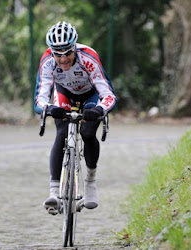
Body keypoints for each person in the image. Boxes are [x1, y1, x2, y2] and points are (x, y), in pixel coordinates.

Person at [34, 21, 117, 212]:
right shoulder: (47, 61)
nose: (62, 59)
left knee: (88, 133)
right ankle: (54, 192)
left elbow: (108, 94)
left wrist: (99, 110)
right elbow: (40, 97)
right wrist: (49, 109)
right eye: (57, 53)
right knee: (62, 132)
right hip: (64, 93)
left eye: (67, 53)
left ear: (75, 48)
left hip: (90, 95)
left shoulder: (88, 57)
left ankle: (90, 183)